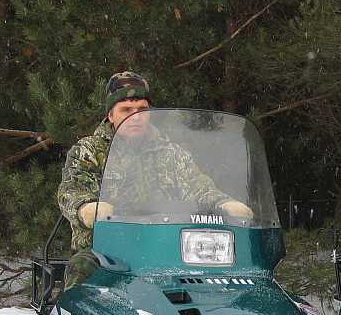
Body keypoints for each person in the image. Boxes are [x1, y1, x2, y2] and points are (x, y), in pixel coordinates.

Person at [57, 71, 252, 290]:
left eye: (142, 110)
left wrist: (223, 203)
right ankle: (75, 311)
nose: (135, 117)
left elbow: (197, 186)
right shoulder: (89, 151)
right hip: (106, 249)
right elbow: (72, 189)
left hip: (166, 246)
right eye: (126, 110)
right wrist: (86, 207)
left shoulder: (170, 152)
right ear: (110, 115)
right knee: (83, 268)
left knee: (223, 276)